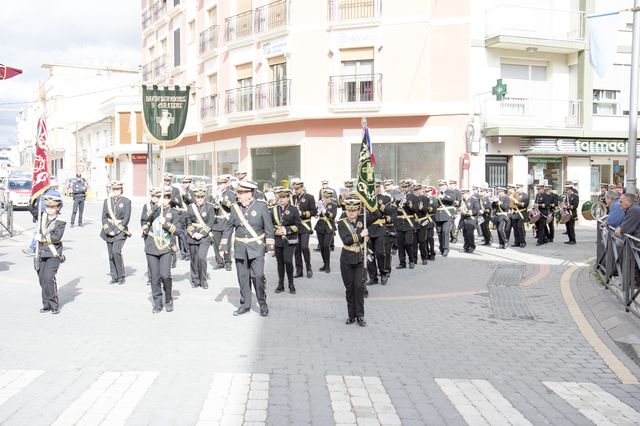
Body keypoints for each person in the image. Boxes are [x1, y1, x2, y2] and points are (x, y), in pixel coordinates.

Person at [220, 180, 275, 316]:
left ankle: (262, 303)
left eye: (241, 192)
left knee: (257, 276)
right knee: (243, 277)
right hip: (240, 248)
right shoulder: (234, 208)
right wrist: (222, 247)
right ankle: (245, 305)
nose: (238, 195)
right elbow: (228, 228)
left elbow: (269, 228)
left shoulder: (261, 207)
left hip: (256, 247)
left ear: (249, 193)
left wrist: (270, 246)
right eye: (238, 192)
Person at [142, 186, 179, 313]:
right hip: (152, 246)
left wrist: (166, 224)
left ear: (169, 199)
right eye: (161, 197)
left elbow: (179, 231)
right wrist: (156, 207)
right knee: (154, 277)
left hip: (165, 247)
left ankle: (168, 299)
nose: (163, 199)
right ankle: (157, 302)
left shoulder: (174, 212)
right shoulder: (153, 209)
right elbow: (145, 219)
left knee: (165, 275)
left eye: (166, 197)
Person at [337, 198, 368, 327]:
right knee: (349, 289)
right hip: (346, 260)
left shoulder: (364, 220)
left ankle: (360, 315)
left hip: (359, 259)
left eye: (354, 210)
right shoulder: (341, 223)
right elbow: (346, 240)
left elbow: (376, 214)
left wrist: (367, 201)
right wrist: (361, 235)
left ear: (359, 210)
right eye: (349, 210)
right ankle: (351, 315)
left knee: (359, 287)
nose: (351, 213)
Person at [36, 195, 66, 315]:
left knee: (49, 278)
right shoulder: (41, 216)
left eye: (52, 207)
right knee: (42, 280)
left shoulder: (60, 222)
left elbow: (56, 237)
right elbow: (31, 208)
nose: (49, 209)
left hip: (53, 253)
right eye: (47, 206)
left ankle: (54, 304)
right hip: (41, 252)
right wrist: (35, 195)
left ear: (57, 208)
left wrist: (42, 238)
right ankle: (46, 304)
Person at [100, 181, 131, 285]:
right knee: (110, 255)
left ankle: (121, 275)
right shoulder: (107, 201)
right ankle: (114, 276)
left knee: (116, 251)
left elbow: (126, 219)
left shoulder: (126, 201)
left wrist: (116, 231)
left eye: (117, 189)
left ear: (121, 190)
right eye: (113, 189)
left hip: (121, 231)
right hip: (108, 230)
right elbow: (104, 217)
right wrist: (108, 230)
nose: (115, 191)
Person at [272, 188, 302, 293]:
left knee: (288, 261)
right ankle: (281, 284)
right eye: (279, 197)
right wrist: (275, 230)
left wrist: (285, 230)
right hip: (278, 240)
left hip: (290, 240)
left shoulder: (294, 209)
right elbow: (269, 224)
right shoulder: (273, 209)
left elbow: (298, 225)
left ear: (288, 198)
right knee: (280, 263)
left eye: (283, 197)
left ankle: (291, 283)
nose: (281, 199)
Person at [186, 186, 216, 289]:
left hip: (204, 236)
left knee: (202, 258)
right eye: (198, 197)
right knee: (194, 259)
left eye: (202, 197)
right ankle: (195, 280)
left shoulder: (209, 207)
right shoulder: (190, 207)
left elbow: (211, 222)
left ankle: (203, 280)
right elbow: (187, 221)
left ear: (205, 197)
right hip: (192, 236)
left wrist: (202, 233)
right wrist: (193, 233)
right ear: (194, 197)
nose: (200, 199)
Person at [24, 184, 62, 256]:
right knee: (38, 231)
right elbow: (33, 202)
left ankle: (34, 248)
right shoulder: (39, 192)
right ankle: (37, 247)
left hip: (49, 215)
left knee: (44, 231)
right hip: (40, 214)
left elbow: (60, 203)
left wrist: (55, 212)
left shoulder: (54, 193)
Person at [292, 179, 317, 278]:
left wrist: (302, 214)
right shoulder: (292, 197)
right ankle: (299, 270)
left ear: (302, 187)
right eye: (294, 188)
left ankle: (309, 268)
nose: (295, 190)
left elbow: (314, 212)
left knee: (304, 247)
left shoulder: (309, 197)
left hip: (305, 226)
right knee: (296, 250)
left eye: (297, 188)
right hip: (295, 227)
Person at [212, 174, 235, 271]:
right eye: (219, 183)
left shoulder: (231, 194)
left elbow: (233, 206)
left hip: (226, 221)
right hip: (216, 221)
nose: (220, 185)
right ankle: (219, 262)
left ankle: (228, 261)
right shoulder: (214, 193)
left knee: (226, 243)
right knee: (216, 243)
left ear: (226, 184)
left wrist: (222, 200)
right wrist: (214, 203)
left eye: (222, 183)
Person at [141, 187, 162, 285]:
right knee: (150, 257)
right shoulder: (147, 206)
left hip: (161, 234)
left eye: (157, 196)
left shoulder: (163, 206)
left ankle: (161, 277)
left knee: (161, 257)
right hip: (150, 233)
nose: (155, 198)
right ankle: (151, 277)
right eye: (153, 196)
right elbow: (143, 219)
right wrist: (145, 229)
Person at [315, 189, 337, 274]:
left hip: (329, 227)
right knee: (321, 246)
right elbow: (316, 215)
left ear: (330, 197)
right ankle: (324, 264)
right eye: (324, 197)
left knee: (326, 245)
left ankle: (327, 265)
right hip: (320, 226)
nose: (326, 199)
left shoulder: (333, 205)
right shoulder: (320, 204)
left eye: (328, 197)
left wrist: (325, 211)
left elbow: (333, 216)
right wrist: (318, 211)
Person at [395, 180, 416, 269]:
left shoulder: (412, 197)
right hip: (399, 223)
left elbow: (415, 210)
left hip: (408, 222)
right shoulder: (397, 196)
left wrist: (406, 202)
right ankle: (402, 262)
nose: (404, 189)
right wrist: (397, 202)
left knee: (408, 243)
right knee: (400, 244)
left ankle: (411, 260)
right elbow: (393, 209)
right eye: (402, 187)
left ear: (408, 187)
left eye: (406, 187)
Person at [409, 184, 430, 265]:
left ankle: (424, 258)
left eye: (420, 189)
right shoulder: (410, 198)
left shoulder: (425, 198)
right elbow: (408, 209)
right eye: (418, 190)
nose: (420, 191)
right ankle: (414, 259)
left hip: (423, 222)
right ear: (415, 190)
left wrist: (421, 208)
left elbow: (426, 210)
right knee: (414, 242)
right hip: (413, 222)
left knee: (422, 241)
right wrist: (415, 207)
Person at [434, 179, 456, 256]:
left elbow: (452, 199)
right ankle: (441, 248)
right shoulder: (437, 194)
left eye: (442, 185)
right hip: (438, 216)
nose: (441, 187)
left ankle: (446, 249)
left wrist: (443, 196)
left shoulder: (451, 192)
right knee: (439, 233)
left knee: (445, 231)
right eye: (440, 185)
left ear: (446, 185)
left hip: (447, 216)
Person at [510, 183, 529, 248]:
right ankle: (517, 242)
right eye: (516, 188)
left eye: (518, 188)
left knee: (520, 228)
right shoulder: (514, 195)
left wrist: (517, 202)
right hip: (515, 213)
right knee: (515, 228)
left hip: (521, 213)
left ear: (521, 188)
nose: (517, 190)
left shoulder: (525, 195)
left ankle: (522, 242)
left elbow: (525, 204)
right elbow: (511, 204)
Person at [460, 188, 479, 253]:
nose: (462, 195)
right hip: (463, 219)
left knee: (470, 233)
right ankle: (466, 247)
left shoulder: (474, 200)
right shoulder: (462, 201)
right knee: (465, 234)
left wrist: (469, 212)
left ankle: (472, 246)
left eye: (463, 194)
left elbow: (476, 210)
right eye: (462, 194)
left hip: (471, 219)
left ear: (467, 193)